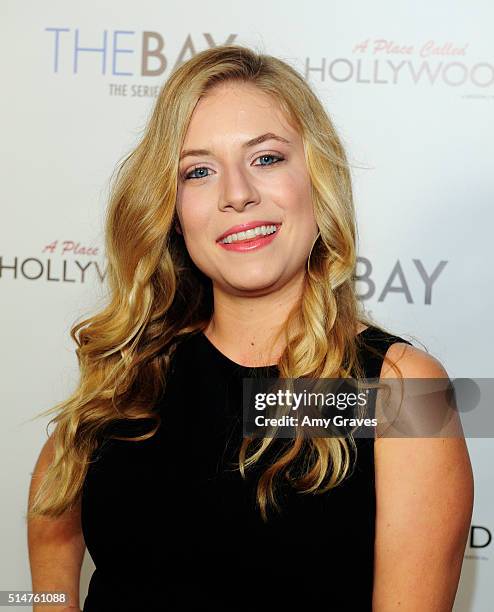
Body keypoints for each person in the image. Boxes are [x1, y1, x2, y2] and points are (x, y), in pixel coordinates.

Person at [27, 44, 474, 611]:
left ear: (317, 176)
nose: (237, 193)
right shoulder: (134, 369)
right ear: (172, 207)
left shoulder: (397, 392)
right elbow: (51, 522)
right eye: (200, 171)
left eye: (266, 158)